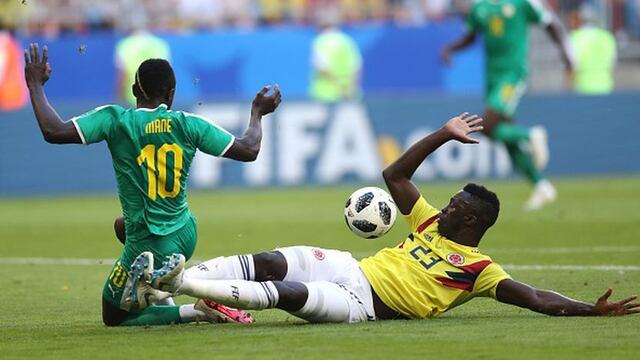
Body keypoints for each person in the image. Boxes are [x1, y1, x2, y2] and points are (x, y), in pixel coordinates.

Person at [130, 113, 639, 323]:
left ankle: (179, 282)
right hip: (352, 267)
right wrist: (443, 134)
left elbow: (534, 297)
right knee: (269, 261)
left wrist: (590, 310)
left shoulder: (479, 269)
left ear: (472, 221)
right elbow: (394, 174)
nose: (446, 205)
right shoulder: (428, 222)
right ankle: (170, 282)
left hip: (362, 304)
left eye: (457, 204)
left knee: (287, 297)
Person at [23, 43, 282, 326]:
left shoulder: (115, 120)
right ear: (171, 94)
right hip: (185, 233)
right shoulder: (188, 123)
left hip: (149, 240)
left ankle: (197, 310)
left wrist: (35, 84)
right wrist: (257, 112)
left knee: (114, 317)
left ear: (135, 91)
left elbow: (53, 130)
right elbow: (249, 149)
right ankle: (159, 287)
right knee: (121, 225)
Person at [441, 0, 575, 210]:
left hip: (512, 74)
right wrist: (450, 49)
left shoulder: (523, 3)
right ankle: (541, 185)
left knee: (488, 124)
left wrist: (565, 52)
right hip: (492, 78)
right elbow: (470, 36)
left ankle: (530, 136)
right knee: (502, 135)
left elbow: (550, 23)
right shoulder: (480, 7)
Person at [309, 10, 363, 102]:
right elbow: (357, 67)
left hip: (325, 95)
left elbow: (321, 67)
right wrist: (349, 87)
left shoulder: (320, 41)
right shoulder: (347, 40)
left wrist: (338, 86)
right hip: (349, 93)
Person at [568, 5, 617, 95]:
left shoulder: (574, 38)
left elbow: (571, 68)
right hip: (605, 88)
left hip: (582, 89)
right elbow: (612, 67)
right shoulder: (607, 37)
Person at [115, 30, 171, 105]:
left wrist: (119, 96)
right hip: (157, 96)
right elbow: (167, 74)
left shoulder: (125, 45)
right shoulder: (159, 44)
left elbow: (122, 74)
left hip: (133, 96)